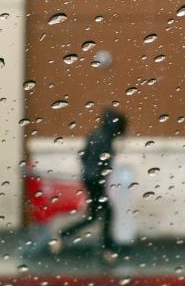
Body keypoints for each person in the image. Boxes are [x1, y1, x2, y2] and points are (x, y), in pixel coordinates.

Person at [52, 108, 128, 263]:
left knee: (95, 215)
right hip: (95, 181)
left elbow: (83, 155)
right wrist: (99, 174)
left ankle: (64, 236)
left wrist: (88, 171)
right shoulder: (105, 139)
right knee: (106, 214)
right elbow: (105, 162)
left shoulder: (95, 135)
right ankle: (108, 250)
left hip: (89, 179)